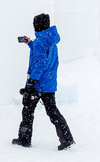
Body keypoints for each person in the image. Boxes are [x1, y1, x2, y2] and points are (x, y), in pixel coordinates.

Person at [12, 13, 75, 150]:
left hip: (38, 84)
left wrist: (31, 82)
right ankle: (67, 139)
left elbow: (39, 63)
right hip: (49, 84)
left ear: (38, 25)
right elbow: (42, 51)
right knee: (53, 112)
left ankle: (24, 139)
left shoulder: (40, 42)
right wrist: (30, 43)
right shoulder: (50, 41)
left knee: (27, 111)